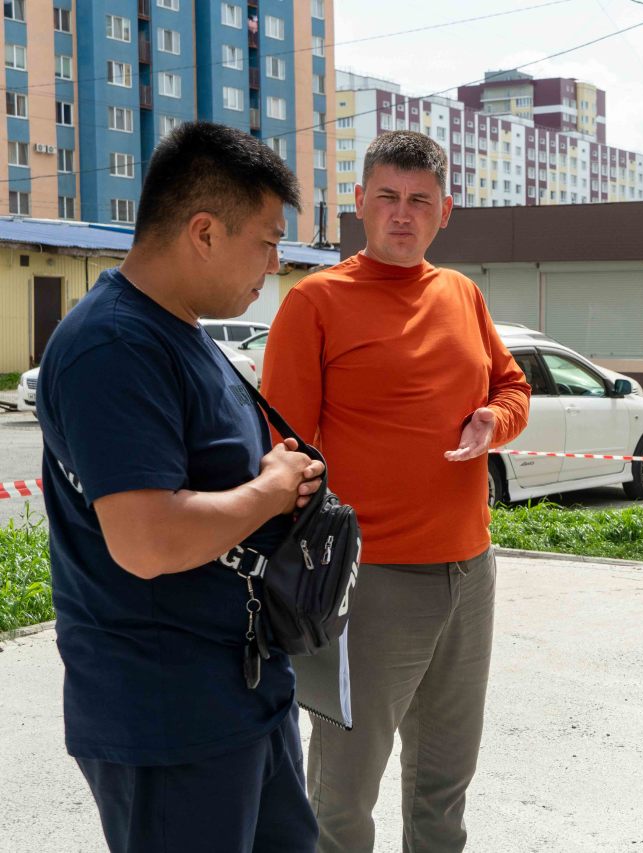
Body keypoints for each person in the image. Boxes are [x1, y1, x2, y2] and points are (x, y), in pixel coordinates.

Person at [37, 122, 324, 853]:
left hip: (243, 692)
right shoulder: (113, 345)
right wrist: (271, 487)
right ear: (204, 231)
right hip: (168, 716)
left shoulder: (185, 332)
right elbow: (146, 539)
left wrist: (276, 483)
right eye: (266, 240)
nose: (276, 262)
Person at [262, 130, 531, 852]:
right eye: (387, 197)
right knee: (343, 799)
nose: (402, 214)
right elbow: (280, 447)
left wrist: (492, 420)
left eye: (419, 200)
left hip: (469, 573)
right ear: (359, 204)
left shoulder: (462, 294)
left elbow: (512, 385)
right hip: (364, 581)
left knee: (444, 788)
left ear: (445, 210)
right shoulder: (315, 301)